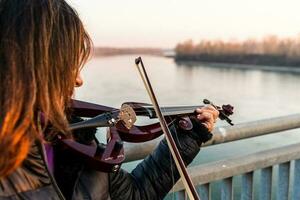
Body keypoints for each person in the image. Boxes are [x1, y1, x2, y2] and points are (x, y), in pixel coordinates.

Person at [0, 0, 219, 199]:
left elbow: (135, 195)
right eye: (68, 65)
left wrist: (187, 138)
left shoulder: (76, 137)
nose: (78, 80)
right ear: (28, 65)